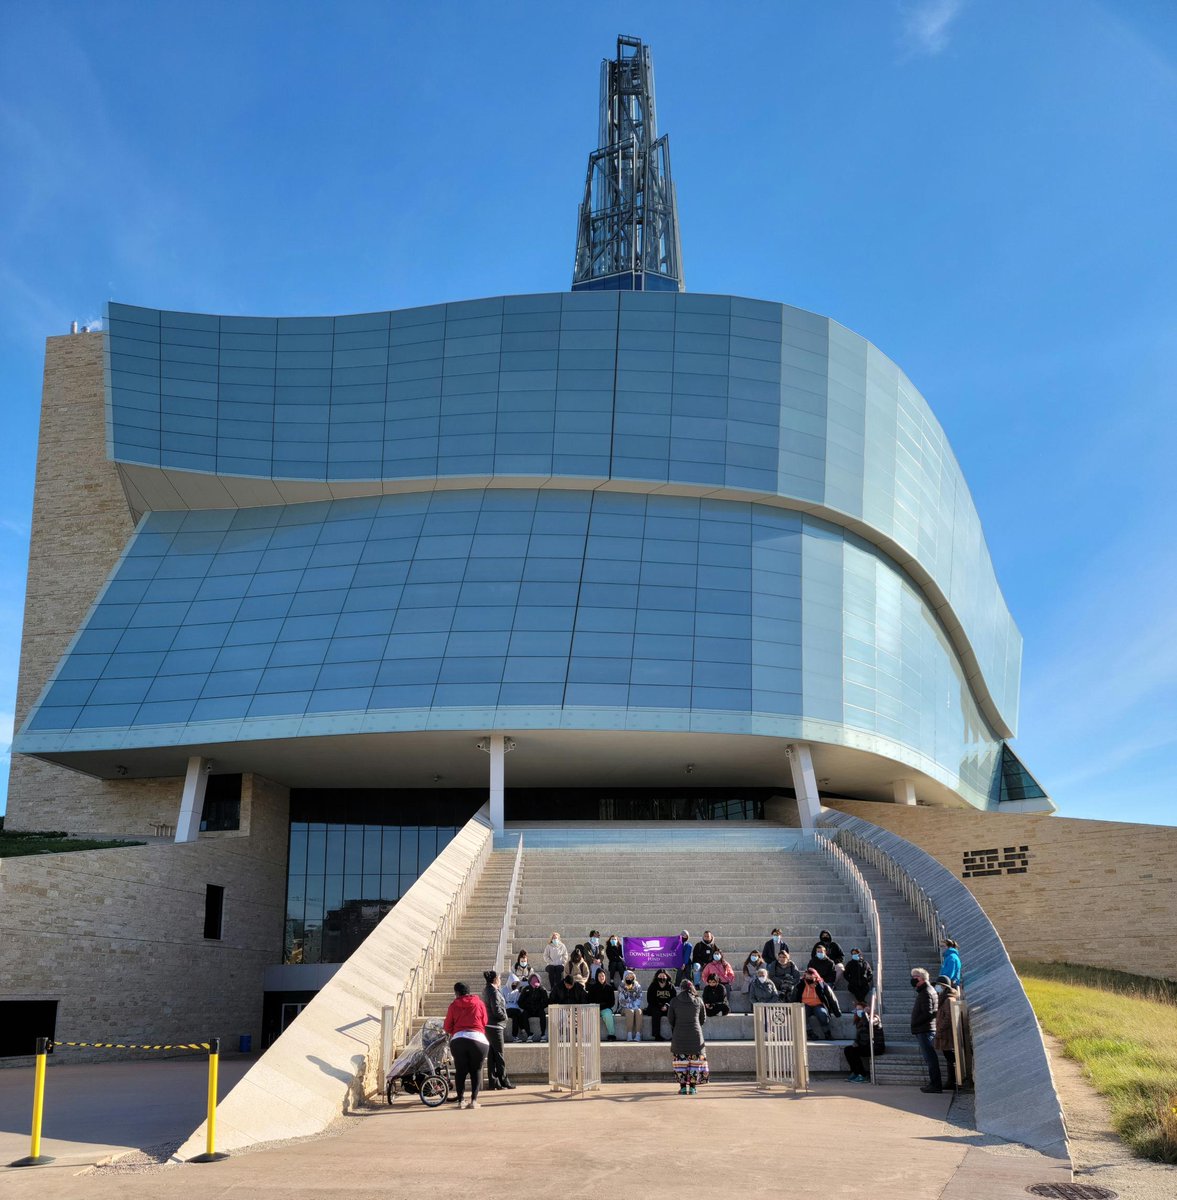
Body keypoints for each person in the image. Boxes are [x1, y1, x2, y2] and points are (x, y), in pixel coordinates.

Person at [443, 981, 489, 1109]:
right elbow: (484, 1021)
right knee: (476, 1070)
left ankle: (461, 1101)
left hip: (459, 1040)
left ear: (456, 993)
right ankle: (474, 1101)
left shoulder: (453, 1005)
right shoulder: (479, 1003)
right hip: (479, 1040)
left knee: (460, 1071)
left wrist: (456, 1031)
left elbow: (447, 1026)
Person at [668, 979, 709, 1095]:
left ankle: (682, 1088)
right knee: (695, 1064)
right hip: (696, 1037)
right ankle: (692, 1087)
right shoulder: (698, 1000)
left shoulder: (674, 1001)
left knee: (681, 1063)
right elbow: (703, 1019)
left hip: (679, 1036)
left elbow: (671, 1019)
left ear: (681, 988)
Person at [480, 970, 515, 1090]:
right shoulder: (493, 992)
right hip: (495, 1026)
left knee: (492, 1055)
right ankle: (504, 1081)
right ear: (495, 979)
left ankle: (494, 1082)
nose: (500, 980)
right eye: (499, 978)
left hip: (489, 1026)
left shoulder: (488, 990)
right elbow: (496, 1010)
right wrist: (504, 1016)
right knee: (499, 1054)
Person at [910, 966, 942, 1093]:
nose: (913, 980)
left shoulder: (926, 992)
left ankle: (935, 1085)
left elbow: (928, 1013)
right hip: (925, 1029)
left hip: (925, 1030)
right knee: (930, 1058)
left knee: (930, 1058)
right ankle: (934, 1083)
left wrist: (915, 1023)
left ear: (922, 979)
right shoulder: (928, 990)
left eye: (915, 977)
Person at [791, 965, 841, 1039]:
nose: (809, 979)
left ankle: (827, 1033)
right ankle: (810, 1033)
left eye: (811, 978)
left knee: (822, 1014)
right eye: (807, 977)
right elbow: (794, 997)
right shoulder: (800, 985)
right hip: (804, 1005)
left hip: (818, 1005)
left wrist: (837, 1011)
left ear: (815, 977)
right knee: (801, 1014)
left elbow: (832, 998)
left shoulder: (822, 985)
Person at [844, 1001, 883, 1082]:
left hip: (875, 1047)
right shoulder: (860, 1021)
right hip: (865, 1046)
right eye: (857, 1009)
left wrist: (865, 1013)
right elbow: (860, 1036)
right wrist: (856, 1042)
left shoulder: (875, 1018)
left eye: (860, 1009)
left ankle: (862, 1074)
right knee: (848, 1050)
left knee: (854, 1052)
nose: (858, 1012)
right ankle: (855, 1072)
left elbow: (869, 1024)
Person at [933, 974, 960, 1087]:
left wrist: (940, 1028)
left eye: (938, 985)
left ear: (944, 986)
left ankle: (952, 1081)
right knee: (948, 1057)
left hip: (947, 1034)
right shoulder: (944, 997)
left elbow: (948, 1017)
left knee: (950, 1058)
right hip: (945, 1034)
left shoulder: (948, 999)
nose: (937, 988)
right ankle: (951, 1081)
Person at [645, 968, 677, 1041]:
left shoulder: (671, 986)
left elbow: (673, 999)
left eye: (664, 976)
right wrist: (660, 1006)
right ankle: (657, 1035)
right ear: (657, 977)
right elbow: (650, 999)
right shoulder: (653, 986)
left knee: (674, 1013)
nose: (662, 978)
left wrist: (666, 1005)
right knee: (656, 1012)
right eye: (660, 976)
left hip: (667, 1007)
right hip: (655, 1007)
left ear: (667, 977)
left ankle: (675, 1035)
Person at [587, 968, 618, 1040]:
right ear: (596, 977)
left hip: (605, 1008)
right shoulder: (592, 988)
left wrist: (602, 1006)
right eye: (600, 976)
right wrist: (596, 1006)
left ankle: (611, 1034)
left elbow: (611, 1002)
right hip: (594, 1008)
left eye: (603, 976)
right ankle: (591, 1036)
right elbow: (589, 1000)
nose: (601, 978)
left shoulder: (609, 987)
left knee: (607, 1015)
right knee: (591, 1015)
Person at [518, 973, 549, 1042]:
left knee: (542, 1014)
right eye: (532, 979)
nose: (534, 981)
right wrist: (526, 1007)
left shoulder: (542, 989)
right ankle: (529, 1034)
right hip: (529, 1009)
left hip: (538, 1009)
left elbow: (546, 1002)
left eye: (536, 979)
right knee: (524, 1015)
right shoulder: (526, 989)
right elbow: (520, 1002)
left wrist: (540, 1006)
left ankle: (543, 1034)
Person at [616, 970, 645, 1040]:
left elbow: (639, 998)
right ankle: (629, 1034)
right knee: (630, 1011)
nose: (629, 979)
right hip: (624, 1007)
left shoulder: (638, 986)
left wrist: (634, 1006)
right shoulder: (621, 986)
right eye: (627, 977)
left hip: (635, 1006)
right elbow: (621, 1000)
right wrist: (630, 1006)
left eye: (631, 977)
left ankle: (638, 1035)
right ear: (624, 978)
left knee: (638, 1011)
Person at [504, 975, 528, 1043]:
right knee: (517, 1012)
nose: (514, 985)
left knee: (515, 1018)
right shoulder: (504, 990)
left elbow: (518, 1001)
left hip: (515, 1010)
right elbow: (503, 1002)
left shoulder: (517, 991)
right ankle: (522, 1028)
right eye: (513, 983)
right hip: (507, 1009)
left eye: (516, 983)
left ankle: (515, 1036)